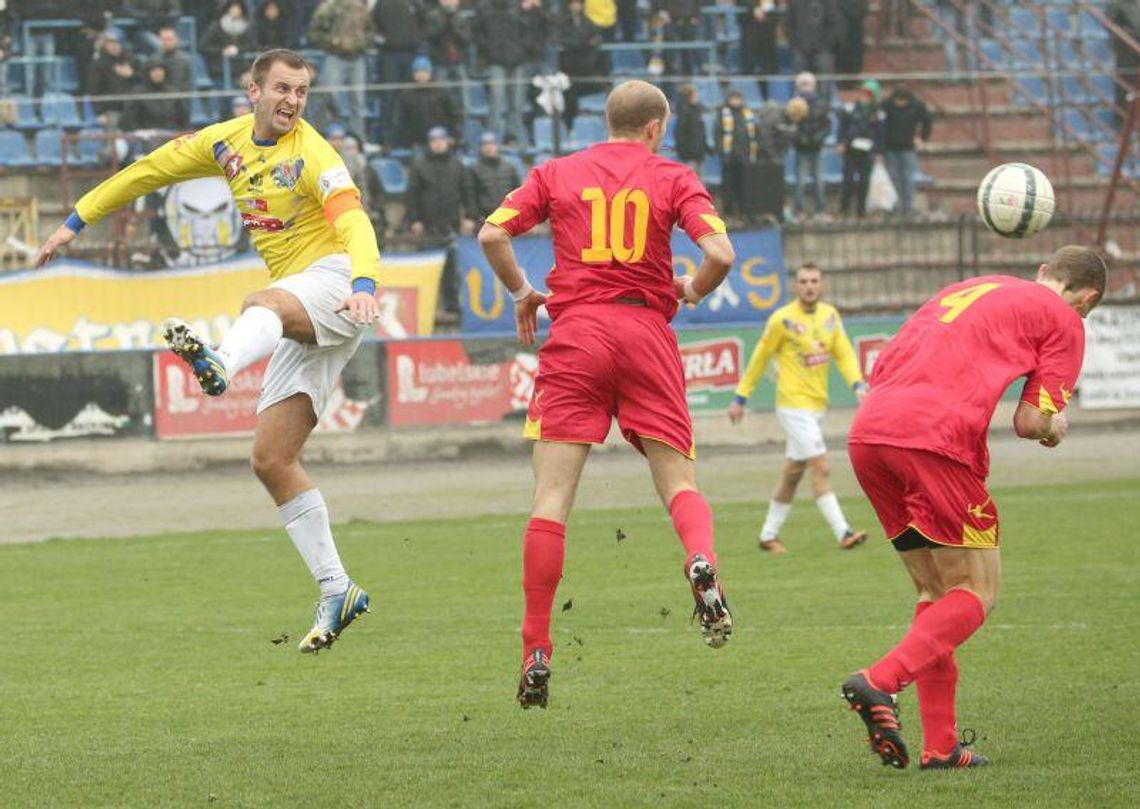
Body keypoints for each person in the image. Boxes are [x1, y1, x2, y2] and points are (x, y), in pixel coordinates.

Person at [33, 49, 381, 654]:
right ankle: (337, 587)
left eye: (301, 92)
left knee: (260, 302)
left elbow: (354, 221)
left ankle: (219, 361)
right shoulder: (223, 143)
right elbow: (148, 170)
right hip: (302, 309)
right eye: (282, 88)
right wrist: (74, 221)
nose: (293, 101)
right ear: (252, 89)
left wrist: (365, 284)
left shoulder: (314, 153)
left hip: (334, 283)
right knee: (272, 459)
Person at [476, 80, 737, 708]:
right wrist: (691, 291)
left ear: (609, 120)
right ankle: (700, 560)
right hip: (645, 333)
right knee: (679, 482)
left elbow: (491, 234)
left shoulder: (557, 171)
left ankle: (536, 646)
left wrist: (521, 292)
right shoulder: (673, 175)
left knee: (553, 496)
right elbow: (721, 254)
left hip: (577, 334)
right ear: (654, 127)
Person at [840, 246, 1105, 770]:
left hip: (870, 436)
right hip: (934, 442)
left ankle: (941, 746)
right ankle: (878, 682)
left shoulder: (970, 287)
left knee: (934, 592)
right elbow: (1030, 422)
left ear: (1041, 271)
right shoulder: (1065, 321)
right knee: (977, 591)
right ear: (1089, 297)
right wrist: (1055, 427)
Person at [728, 262, 869, 553]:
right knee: (821, 464)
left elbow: (843, 352)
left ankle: (768, 535)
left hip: (817, 406)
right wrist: (741, 397)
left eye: (814, 280)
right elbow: (760, 357)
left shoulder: (830, 316)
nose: (809, 286)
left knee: (793, 473)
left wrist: (857, 384)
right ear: (796, 286)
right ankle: (843, 532)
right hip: (792, 405)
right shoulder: (782, 320)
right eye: (803, 281)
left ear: (822, 285)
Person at [406, 126, 475, 316]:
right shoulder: (419, 165)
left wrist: (469, 216)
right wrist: (414, 219)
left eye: (441, 139)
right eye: (434, 140)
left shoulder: (457, 164)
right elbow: (412, 194)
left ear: (447, 141)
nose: (438, 143)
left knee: (451, 268)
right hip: (428, 225)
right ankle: (425, 306)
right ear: (429, 143)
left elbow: (467, 191)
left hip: (451, 224)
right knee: (426, 266)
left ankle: (451, 305)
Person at [307, 0, 373, 144]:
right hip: (335, 56)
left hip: (357, 57)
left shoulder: (361, 8)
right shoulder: (329, 7)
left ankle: (359, 140)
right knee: (329, 98)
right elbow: (314, 31)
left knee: (358, 101)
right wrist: (330, 42)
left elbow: (370, 30)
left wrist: (364, 43)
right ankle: (328, 137)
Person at [881, 84, 932, 217]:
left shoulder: (916, 106)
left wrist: (922, 138)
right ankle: (895, 206)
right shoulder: (886, 105)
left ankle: (908, 207)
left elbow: (928, 120)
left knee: (907, 179)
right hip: (890, 147)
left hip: (908, 148)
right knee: (893, 179)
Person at [837, 78, 883, 219]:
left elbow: (880, 133)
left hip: (868, 150)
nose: (864, 97)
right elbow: (842, 128)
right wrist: (841, 143)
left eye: (868, 94)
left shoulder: (878, 113)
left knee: (864, 182)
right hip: (851, 149)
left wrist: (879, 151)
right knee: (848, 181)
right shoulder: (849, 109)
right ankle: (844, 209)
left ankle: (861, 210)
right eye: (862, 93)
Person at [395, 56, 462, 149]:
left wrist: (453, 137)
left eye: (424, 71)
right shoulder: (406, 95)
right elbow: (401, 121)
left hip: (441, 140)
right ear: (413, 74)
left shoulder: (442, 92)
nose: (421, 75)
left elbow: (454, 116)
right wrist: (408, 142)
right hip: (417, 143)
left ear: (430, 73)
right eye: (417, 71)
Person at [790, 71, 831, 220]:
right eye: (803, 84)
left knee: (819, 180)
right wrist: (801, 138)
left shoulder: (821, 104)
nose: (807, 88)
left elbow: (827, 126)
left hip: (817, 148)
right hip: (802, 148)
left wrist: (818, 138)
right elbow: (792, 127)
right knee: (800, 181)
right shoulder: (794, 104)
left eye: (809, 84)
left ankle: (820, 210)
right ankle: (798, 211)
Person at [714, 89, 759, 220]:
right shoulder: (723, 114)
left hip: (744, 156)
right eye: (733, 98)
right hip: (729, 156)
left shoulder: (748, 114)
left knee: (743, 185)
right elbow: (718, 134)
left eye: (738, 98)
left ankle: (743, 211)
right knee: (728, 185)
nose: (736, 101)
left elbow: (754, 134)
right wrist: (721, 151)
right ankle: (728, 212)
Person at [466, 131, 521, 221]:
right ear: (481, 147)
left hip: (507, 216)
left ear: (497, 145)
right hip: (485, 218)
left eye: (492, 143)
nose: (489, 147)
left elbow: (517, 192)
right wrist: (476, 217)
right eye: (485, 144)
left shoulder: (509, 167)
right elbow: (471, 196)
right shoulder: (474, 169)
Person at [88, 29, 138, 129]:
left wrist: (132, 75)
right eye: (109, 43)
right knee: (114, 141)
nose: (112, 46)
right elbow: (94, 89)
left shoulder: (131, 59)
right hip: (111, 110)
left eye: (115, 43)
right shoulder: (99, 63)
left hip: (133, 109)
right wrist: (99, 113)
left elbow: (144, 82)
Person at [122, 61, 190, 132]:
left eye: (160, 70)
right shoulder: (137, 93)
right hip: (145, 135)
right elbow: (130, 117)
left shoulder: (173, 92)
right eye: (154, 71)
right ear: (148, 73)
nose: (157, 73)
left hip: (171, 133)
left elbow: (183, 116)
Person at [200, 1, 256, 84]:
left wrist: (237, 49)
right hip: (219, 65)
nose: (235, 11)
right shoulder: (216, 26)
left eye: (238, 8)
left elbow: (251, 45)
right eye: (233, 8)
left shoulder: (246, 28)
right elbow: (203, 46)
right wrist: (222, 51)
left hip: (240, 64)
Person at [739, 1, 783, 100]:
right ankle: (748, 100)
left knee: (769, 71)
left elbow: (776, 11)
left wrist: (766, 13)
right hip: (750, 37)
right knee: (749, 70)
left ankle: (769, 99)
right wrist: (753, 9)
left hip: (768, 38)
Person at [674, 82, 708, 175]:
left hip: (699, 153)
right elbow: (680, 134)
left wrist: (704, 147)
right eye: (694, 95)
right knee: (689, 181)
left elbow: (701, 132)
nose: (697, 97)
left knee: (699, 182)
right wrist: (683, 151)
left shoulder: (698, 110)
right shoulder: (684, 112)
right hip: (688, 154)